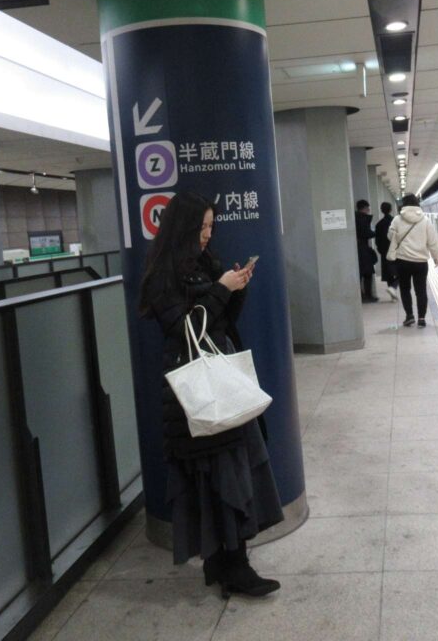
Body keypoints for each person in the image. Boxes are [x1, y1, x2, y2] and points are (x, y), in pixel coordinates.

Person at [139, 190, 283, 598]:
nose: (207, 234)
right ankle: (234, 565)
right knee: (217, 473)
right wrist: (221, 289)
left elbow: (220, 319)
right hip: (196, 390)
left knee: (231, 469)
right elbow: (184, 328)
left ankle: (226, 561)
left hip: (219, 380)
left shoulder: (205, 265)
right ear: (183, 227)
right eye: (202, 227)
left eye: (210, 226)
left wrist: (236, 290)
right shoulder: (163, 275)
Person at [387, 194, 438, 327]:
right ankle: (422, 318)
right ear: (417, 204)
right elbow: (432, 241)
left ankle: (409, 316)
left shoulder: (397, 219)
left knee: (405, 289)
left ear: (403, 204)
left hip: (403, 261)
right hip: (421, 262)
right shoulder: (425, 220)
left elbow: (390, 236)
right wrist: (435, 257)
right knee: (421, 290)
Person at [374, 201, 398, 301]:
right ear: (391, 209)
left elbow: (377, 241)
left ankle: (392, 295)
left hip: (385, 252)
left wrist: (381, 250)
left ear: (381, 210)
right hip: (396, 250)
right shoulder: (395, 222)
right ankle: (393, 287)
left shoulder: (379, 224)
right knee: (400, 271)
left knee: (388, 273)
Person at [355, 199, 378, 302]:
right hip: (363, 250)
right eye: (368, 208)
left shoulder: (355, 217)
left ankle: (362, 295)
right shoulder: (362, 219)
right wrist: (376, 233)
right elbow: (366, 233)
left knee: (360, 274)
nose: (369, 210)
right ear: (364, 208)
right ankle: (367, 296)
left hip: (359, 249)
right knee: (367, 273)